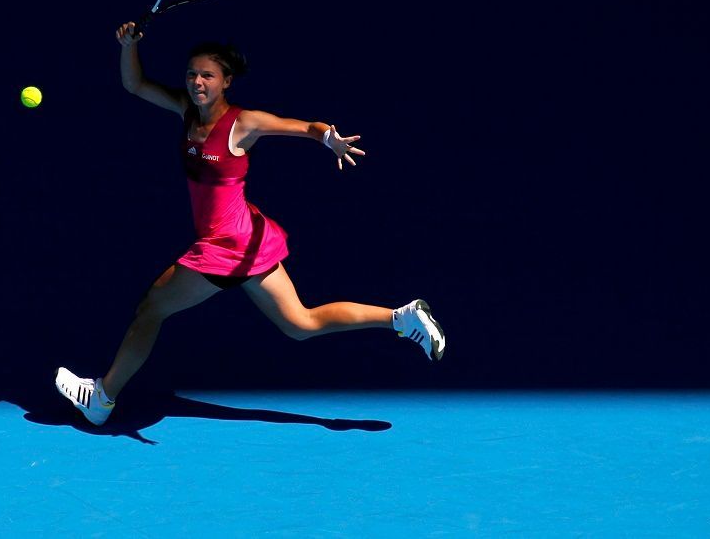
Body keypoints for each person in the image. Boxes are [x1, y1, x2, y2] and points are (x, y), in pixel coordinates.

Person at [54, 22, 446, 426]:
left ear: (226, 81)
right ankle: (401, 317)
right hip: (247, 240)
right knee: (301, 323)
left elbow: (303, 127)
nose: (197, 82)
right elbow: (134, 85)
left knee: (150, 309)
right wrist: (127, 47)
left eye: (207, 75)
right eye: (191, 74)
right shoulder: (187, 111)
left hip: (226, 247)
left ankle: (102, 398)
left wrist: (328, 137)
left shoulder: (244, 123)